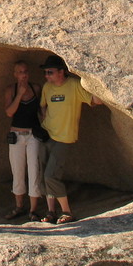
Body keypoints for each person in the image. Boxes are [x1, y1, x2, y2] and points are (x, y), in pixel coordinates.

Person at [37, 55, 102, 224]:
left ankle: (67, 211)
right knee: (43, 175)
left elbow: (95, 100)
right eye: (45, 73)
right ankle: (51, 211)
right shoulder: (47, 88)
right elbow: (43, 106)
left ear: (61, 72)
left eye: (50, 72)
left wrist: (102, 85)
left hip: (64, 138)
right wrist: (43, 123)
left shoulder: (73, 86)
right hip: (46, 135)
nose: (47, 76)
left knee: (51, 176)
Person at [2, 60, 42, 220]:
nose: (23, 75)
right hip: (17, 136)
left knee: (34, 170)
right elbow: (9, 112)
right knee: (17, 171)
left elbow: (41, 109)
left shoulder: (36, 88)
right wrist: (19, 94)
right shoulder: (11, 90)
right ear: (15, 74)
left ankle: (33, 210)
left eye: (25, 71)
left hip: (33, 135)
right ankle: (19, 207)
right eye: (20, 72)